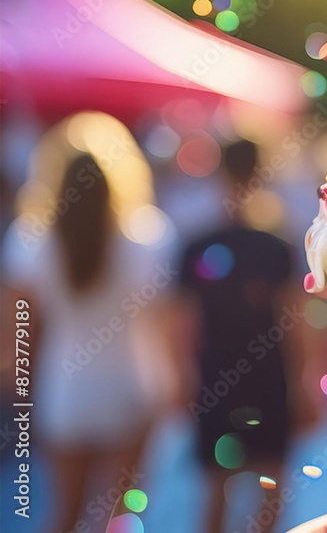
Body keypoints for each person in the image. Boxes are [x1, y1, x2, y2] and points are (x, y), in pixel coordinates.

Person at [2, 153, 172, 533]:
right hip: (130, 387)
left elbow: (19, 329)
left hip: (65, 391)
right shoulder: (148, 237)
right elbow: (163, 321)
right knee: (120, 517)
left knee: (64, 512)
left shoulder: (31, 241)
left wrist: (20, 382)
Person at [178, 139, 306, 533]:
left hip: (215, 377)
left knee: (217, 485)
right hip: (268, 376)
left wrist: (184, 378)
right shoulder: (276, 247)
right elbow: (296, 322)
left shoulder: (198, 244)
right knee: (271, 483)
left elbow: (182, 323)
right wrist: (304, 382)